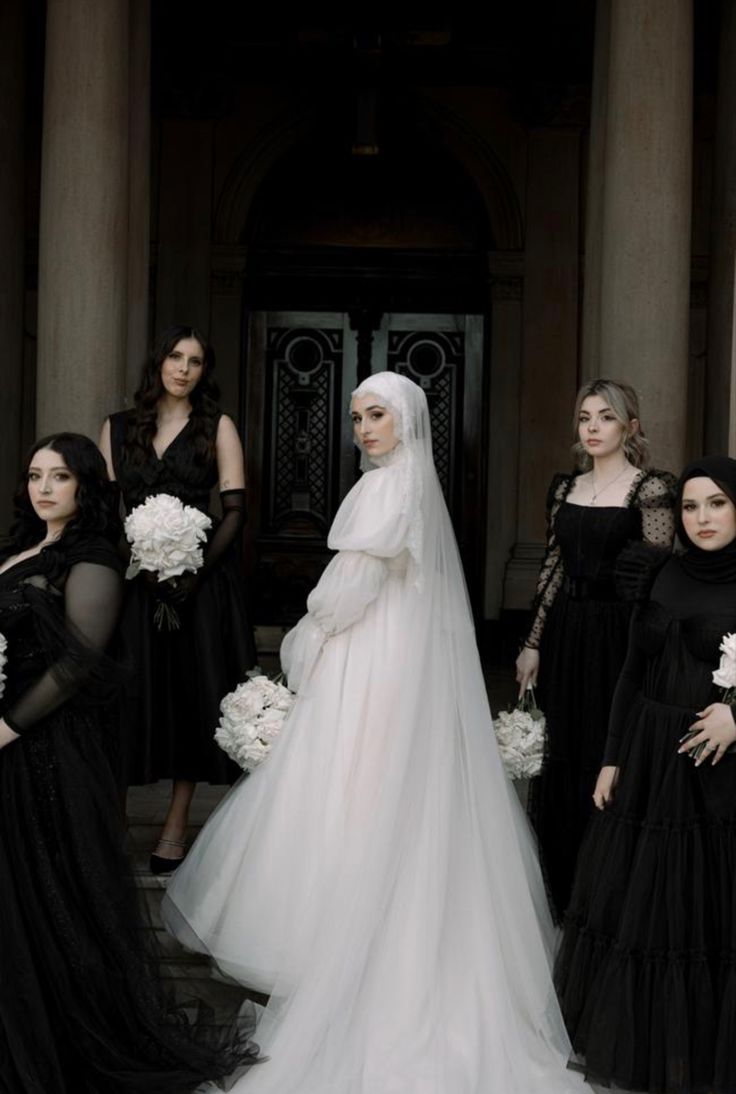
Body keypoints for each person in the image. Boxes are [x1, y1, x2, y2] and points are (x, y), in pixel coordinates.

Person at [162, 371, 586, 1094]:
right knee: (386, 798)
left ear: (408, 421)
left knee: (355, 791)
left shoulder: (390, 488)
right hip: (390, 656)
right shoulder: (406, 485)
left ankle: (356, 961)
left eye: (377, 415)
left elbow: (351, 585)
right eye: (357, 416)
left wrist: (308, 631)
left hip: (370, 657)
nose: (363, 428)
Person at [0, 432, 256, 1092]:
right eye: (35, 475)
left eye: (60, 476)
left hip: (46, 751)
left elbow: (79, 659)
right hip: (7, 737)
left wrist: (7, 725)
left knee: (48, 897)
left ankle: (54, 1043)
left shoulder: (91, 558)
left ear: (86, 484)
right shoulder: (20, 549)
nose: (44, 487)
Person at [555, 456, 736, 1094]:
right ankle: (653, 1051)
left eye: (716, 503)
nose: (702, 518)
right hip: (653, 763)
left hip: (722, 777)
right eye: (690, 507)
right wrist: (611, 755)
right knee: (649, 912)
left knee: (711, 916)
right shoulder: (658, 572)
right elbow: (631, 674)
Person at [515, 378, 676, 920]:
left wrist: (648, 653)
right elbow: (553, 568)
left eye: (605, 417)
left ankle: (612, 895)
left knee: (611, 752)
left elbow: (654, 574)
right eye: (585, 417)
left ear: (630, 426)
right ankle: (563, 890)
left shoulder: (651, 490)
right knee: (563, 752)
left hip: (619, 635)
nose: (592, 428)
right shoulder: (565, 488)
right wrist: (533, 642)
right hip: (566, 635)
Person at [99, 325, 257, 873]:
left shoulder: (218, 427)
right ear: (159, 362)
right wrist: (140, 567)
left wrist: (194, 573)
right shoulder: (118, 429)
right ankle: (114, 825)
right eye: (174, 356)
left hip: (201, 585)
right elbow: (105, 509)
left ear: (203, 371)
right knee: (128, 695)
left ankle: (174, 826)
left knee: (192, 696)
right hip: (134, 585)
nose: (183, 368)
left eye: (194, 361)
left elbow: (235, 509)